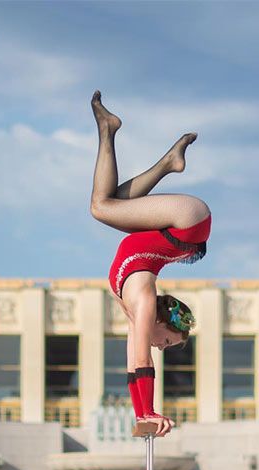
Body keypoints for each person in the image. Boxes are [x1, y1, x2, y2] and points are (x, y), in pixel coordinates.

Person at [90, 91, 211, 437]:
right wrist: (153, 411)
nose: (162, 347)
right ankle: (111, 132)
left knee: (107, 203)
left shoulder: (133, 311)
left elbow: (133, 365)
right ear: (163, 321)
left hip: (179, 231)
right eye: (169, 341)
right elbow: (145, 361)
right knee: (100, 207)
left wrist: (144, 415)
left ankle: (164, 160)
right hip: (187, 224)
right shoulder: (143, 300)